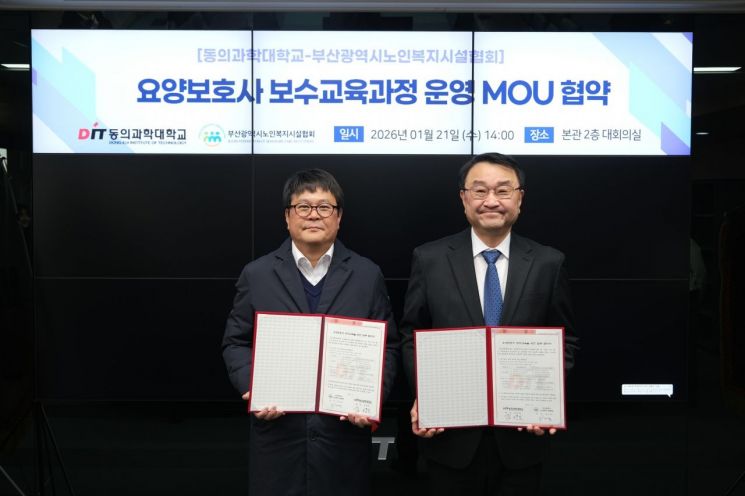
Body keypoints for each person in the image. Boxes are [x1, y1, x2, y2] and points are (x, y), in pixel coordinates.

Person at [400, 152, 579, 495]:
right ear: (463, 198)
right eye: (480, 191)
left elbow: (565, 340)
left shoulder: (548, 262)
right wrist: (426, 394)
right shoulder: (430, 259)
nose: (491, 201)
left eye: (503, 190)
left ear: (519, 198)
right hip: (450, 437)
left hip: (522, 439)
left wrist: (547, 397)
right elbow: (412, 335)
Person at [222, 168, 399, 496]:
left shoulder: (366, 274)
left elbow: (388, 346)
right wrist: (252, 387)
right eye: (303, 207)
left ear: (339, 217)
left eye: (324, 207)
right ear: (287, 216)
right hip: (278, 436)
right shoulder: (257, 274)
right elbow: (236, 342)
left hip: (343, 438)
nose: (314, 215)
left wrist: (371, 399)